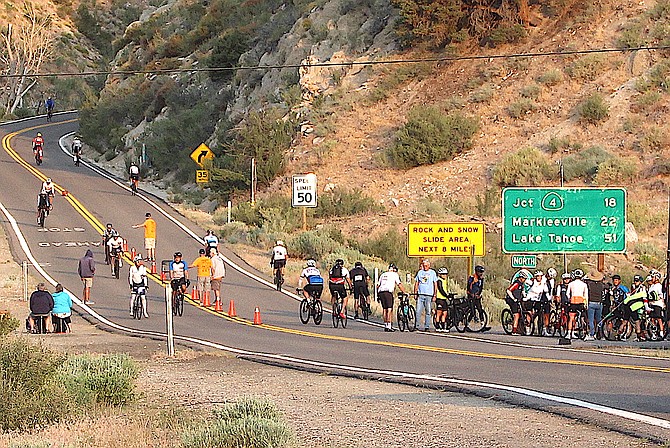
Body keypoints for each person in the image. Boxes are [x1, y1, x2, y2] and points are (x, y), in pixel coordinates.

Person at [377, 263, 405, 332]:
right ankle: (389, 326)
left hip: (381, 291)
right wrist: (404, 292)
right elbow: (399, 284)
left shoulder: (383, 274)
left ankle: (386, 325)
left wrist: (377, 295)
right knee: (389, 309)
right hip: (388, 292)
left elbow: (378, 285)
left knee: (384, 309)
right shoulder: (394, 274)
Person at [414, 259, 437, 332]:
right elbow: (417, 283)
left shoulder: (432, 272)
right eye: (424, 265)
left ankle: (427, 326)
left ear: (429, 266)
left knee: (428, 311)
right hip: (420, 294)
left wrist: (435, 294)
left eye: (426, 265)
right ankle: (417, 325)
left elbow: (435, 284)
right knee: (418, 311)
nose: (425, 267)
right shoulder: (420, 272)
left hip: (429, 294)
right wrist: (415, 292)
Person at [623, 275, 647, 341]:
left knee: (637, 320)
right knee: (627, 319)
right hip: (631, 304)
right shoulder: (633, 287)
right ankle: (620, 333)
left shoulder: (642, 287)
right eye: (635, 281)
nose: (635, 282)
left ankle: (639, 334)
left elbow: (643, 296)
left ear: (640, 282)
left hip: (638, 305)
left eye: (637, 281)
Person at [566, 269, 588, 339]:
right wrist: (586, 303)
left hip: (573, 301)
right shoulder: (584, 284)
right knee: (584, 318)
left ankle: (569, 333)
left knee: (571, 318)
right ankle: (585, 333)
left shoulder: (571, 283)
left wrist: (570, 299)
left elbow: (567, 294)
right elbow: (586, 295)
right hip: (581, 301)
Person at [526, 270, 549, 336]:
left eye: (540, 276)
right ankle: (528, 328)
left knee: (540, 313)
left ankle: (543, 329)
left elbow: (546, 290)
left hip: (538, 300)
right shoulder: (532, 282)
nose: (539, 277)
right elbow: (527, 282)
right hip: (530, 299)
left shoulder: (543, 282)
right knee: (529, 313)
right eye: (538, 276)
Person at [584, 270, 606, 341]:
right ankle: (600, 334)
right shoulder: (601, 285)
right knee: (599, 319)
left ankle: (592, 334)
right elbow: (608, 286)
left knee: (591, 320)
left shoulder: (589, 284)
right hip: (599, 303)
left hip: (591, 302)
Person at [506, 270, 529, 335]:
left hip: (518, 300)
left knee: (521, 312)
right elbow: (508, 290)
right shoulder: (516, 283)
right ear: (521, 278)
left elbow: (523, 292)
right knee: (516, 314)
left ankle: (520, 329)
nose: (525, 280)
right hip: (512, 300)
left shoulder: (522, 285)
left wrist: (525, 297)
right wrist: (513, 298)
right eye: (524, 279)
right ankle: (514, 330)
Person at [647, 269, 665, 339]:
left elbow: (661, 295)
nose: (652, 278)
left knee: (658, 318)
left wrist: (656, 298)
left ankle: (661, 332)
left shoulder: (659, 286)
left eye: (653, 277)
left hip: (657, 304)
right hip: (651, 304)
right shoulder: (652, 286)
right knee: (652, 318)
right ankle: (653, 334)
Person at [435, 267, 450, 333]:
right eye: (443, 274)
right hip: (439, 298)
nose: (445, 275)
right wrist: (446, 295)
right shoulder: (439, 280)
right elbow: (441, 289)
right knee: (439, 313)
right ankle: (437, 326)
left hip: (444, 299)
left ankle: (443, 326)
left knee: (445, 313)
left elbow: (445, 289)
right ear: (440, 274)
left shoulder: (445, 281)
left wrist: (448, 294)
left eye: (446, 274)